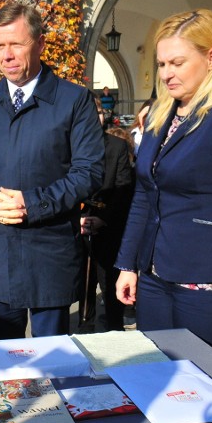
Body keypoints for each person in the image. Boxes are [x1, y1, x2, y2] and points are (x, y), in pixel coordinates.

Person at [114, 9, 212, 360]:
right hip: (155, 277)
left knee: (201, 395)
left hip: (206, 286)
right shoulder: (163, 112)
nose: (167, 73)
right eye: (161, 64)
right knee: (155, 382)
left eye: (177, 62)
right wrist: (128, 263)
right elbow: (144, 193)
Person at [0, 2, 104, 340]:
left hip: (50, 253)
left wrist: (32, 204)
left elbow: (89, 172)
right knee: (3, 361)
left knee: (54, 361)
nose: (5, 55)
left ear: (39, 44)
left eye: (15, 44)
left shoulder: (73, 101)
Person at [78, 99, 134, 332]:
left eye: (99, 112)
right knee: (82, 287)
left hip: (107, 224)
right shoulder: (69, 144)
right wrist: (77, 218)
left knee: (110, 287)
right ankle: (84, 326)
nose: (95, 116)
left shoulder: (117, 146)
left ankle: (114, 330)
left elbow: (123, 188)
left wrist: (103, 218)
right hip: (77, 223)